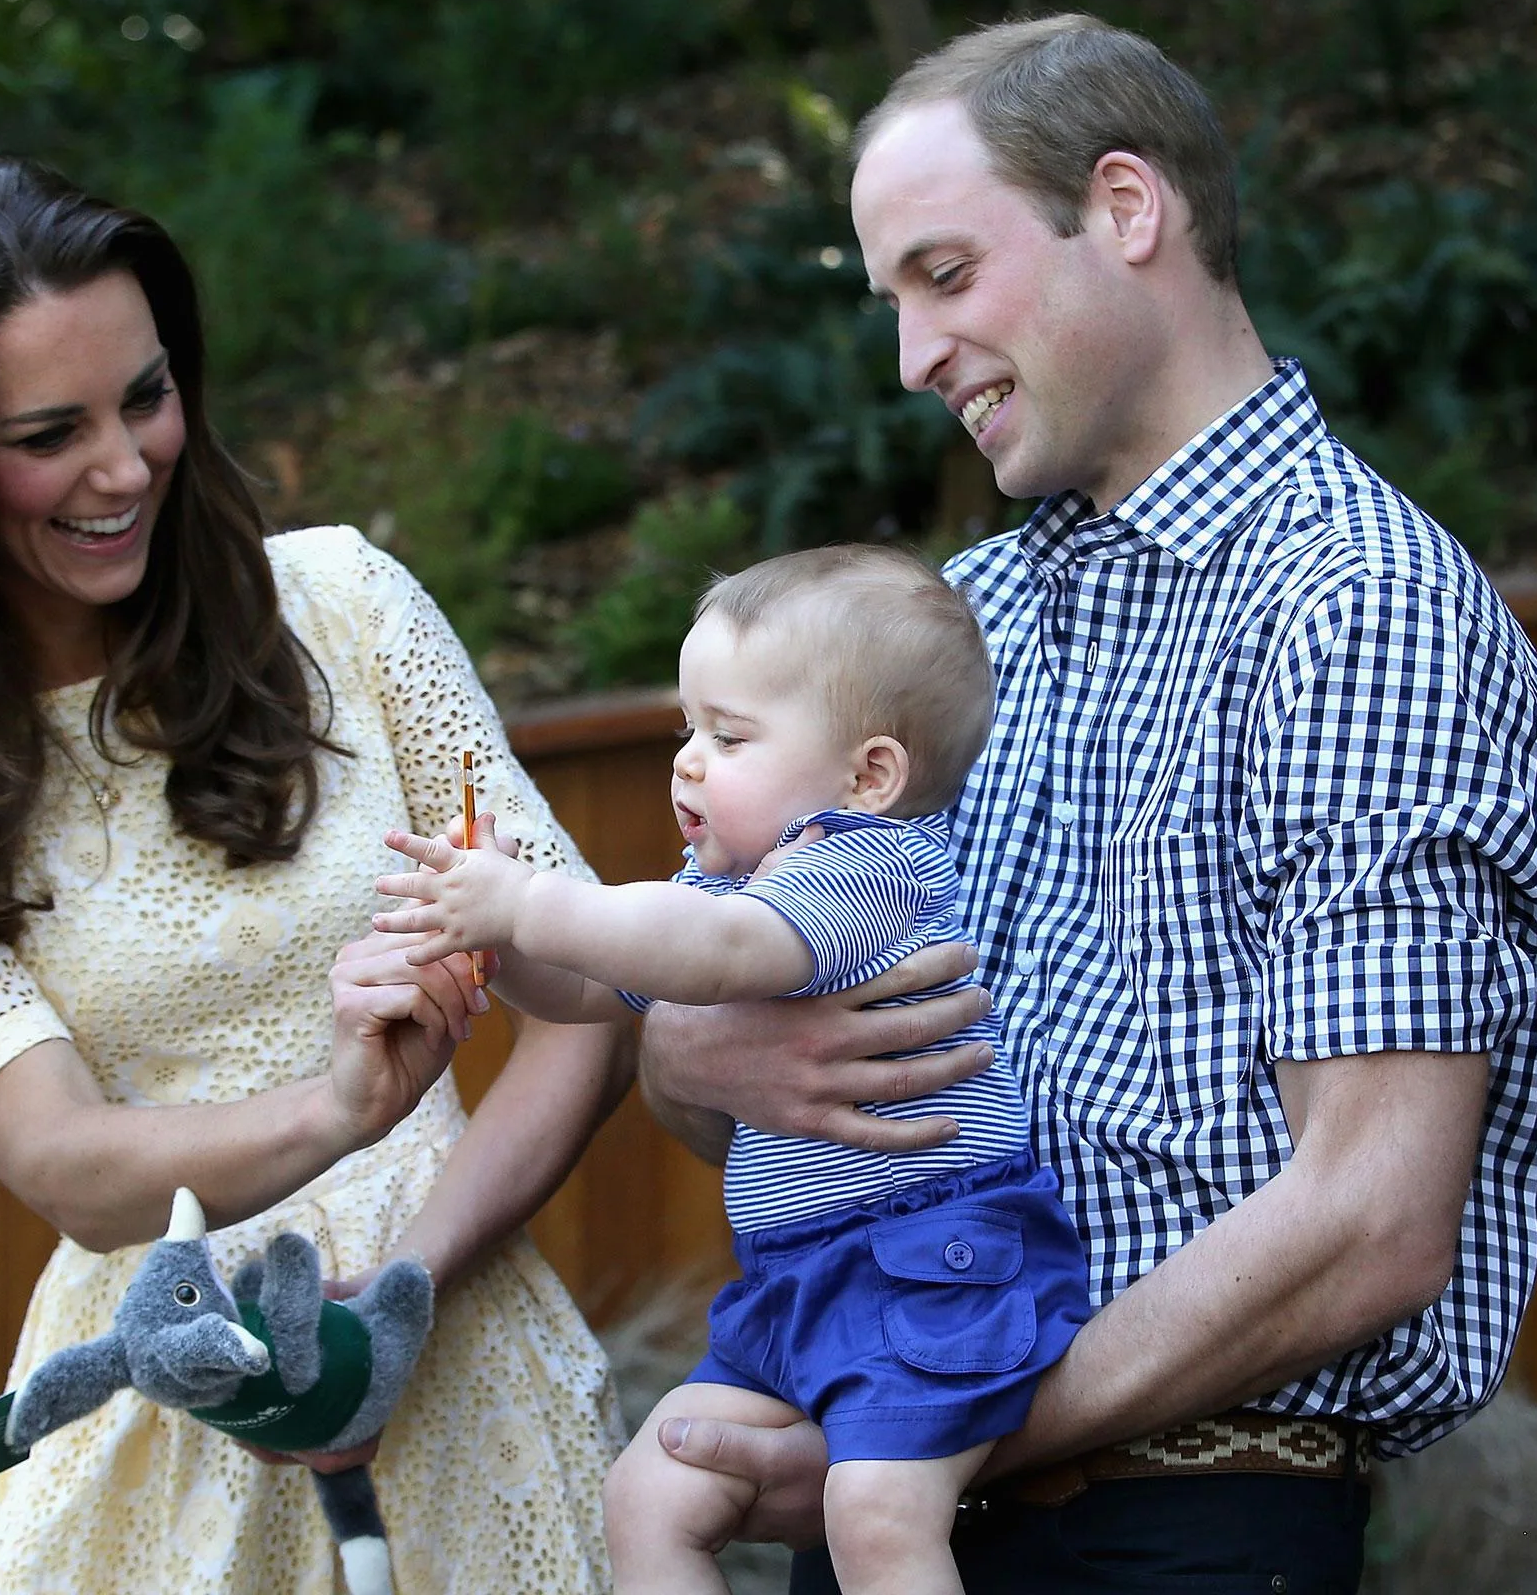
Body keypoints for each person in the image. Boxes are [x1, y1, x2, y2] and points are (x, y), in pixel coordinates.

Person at [634, 14, 1537, 1595]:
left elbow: (1370, 1215)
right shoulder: (961, 625)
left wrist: (934, 1450)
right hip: (907, 1493)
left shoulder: (1360, 611)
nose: (911, 357)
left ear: (1127, 210)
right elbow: (740, 1067)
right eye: (892, 303)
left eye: (944, 277)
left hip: (1177, 1530)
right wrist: (689, 1045)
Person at [0, 156, 625, 1593]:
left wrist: (398, 1298)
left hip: (465, 1386)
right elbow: (77, 1173)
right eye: (48, 432)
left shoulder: (344, 609)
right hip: (150, 1439)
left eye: (146, 397)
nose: (126, 464)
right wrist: (339, 1106)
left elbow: (590, 1005)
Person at [371, 543, 1092, 1595]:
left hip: (930, 1266)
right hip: (804, 1282)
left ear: (869, 773)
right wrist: (500, 945)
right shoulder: (731, 883)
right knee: (648, 1492)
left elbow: (714, 958)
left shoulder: (865, 864)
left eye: (728, 735)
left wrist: (532, 905)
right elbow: (595, 991)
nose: (687, 762)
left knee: (877, 1512)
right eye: (685, 729)